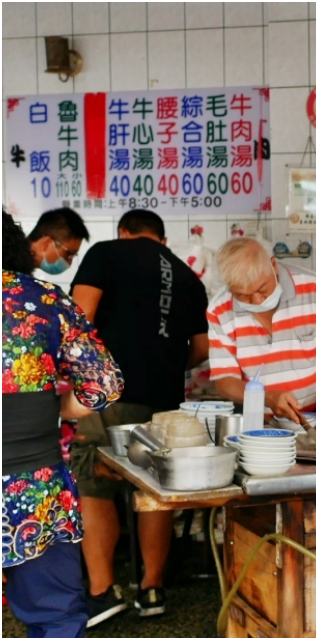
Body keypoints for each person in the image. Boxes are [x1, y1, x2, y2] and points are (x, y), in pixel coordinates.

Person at [69, 210, 210, 624]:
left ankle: (101, 592)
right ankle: (152, 590)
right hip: (165, 400)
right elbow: (201, 350)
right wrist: (163, 367)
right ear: (162, 240)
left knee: (95, 485)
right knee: (154, 490)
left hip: (108, 396)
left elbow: (79, 319)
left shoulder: (106, 253)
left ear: (124, 232)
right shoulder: (188, 276)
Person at [3, 211, 124, 637]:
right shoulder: (41, 298)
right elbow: (104, 385)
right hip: (32, 485)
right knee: (53, 613)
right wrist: (60, 409)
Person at [207, 238, 316, 424]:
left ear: (273, 265)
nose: (257, 301)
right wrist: (266, 397)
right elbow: (225, 381)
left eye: (262, 289)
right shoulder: (219, 310)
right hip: (261, 421)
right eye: (242, 296)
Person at [27, 207, 90, 277]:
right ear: (46, 244)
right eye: (69, 254)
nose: (70, 262)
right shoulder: (14, 270)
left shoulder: (22, 269)